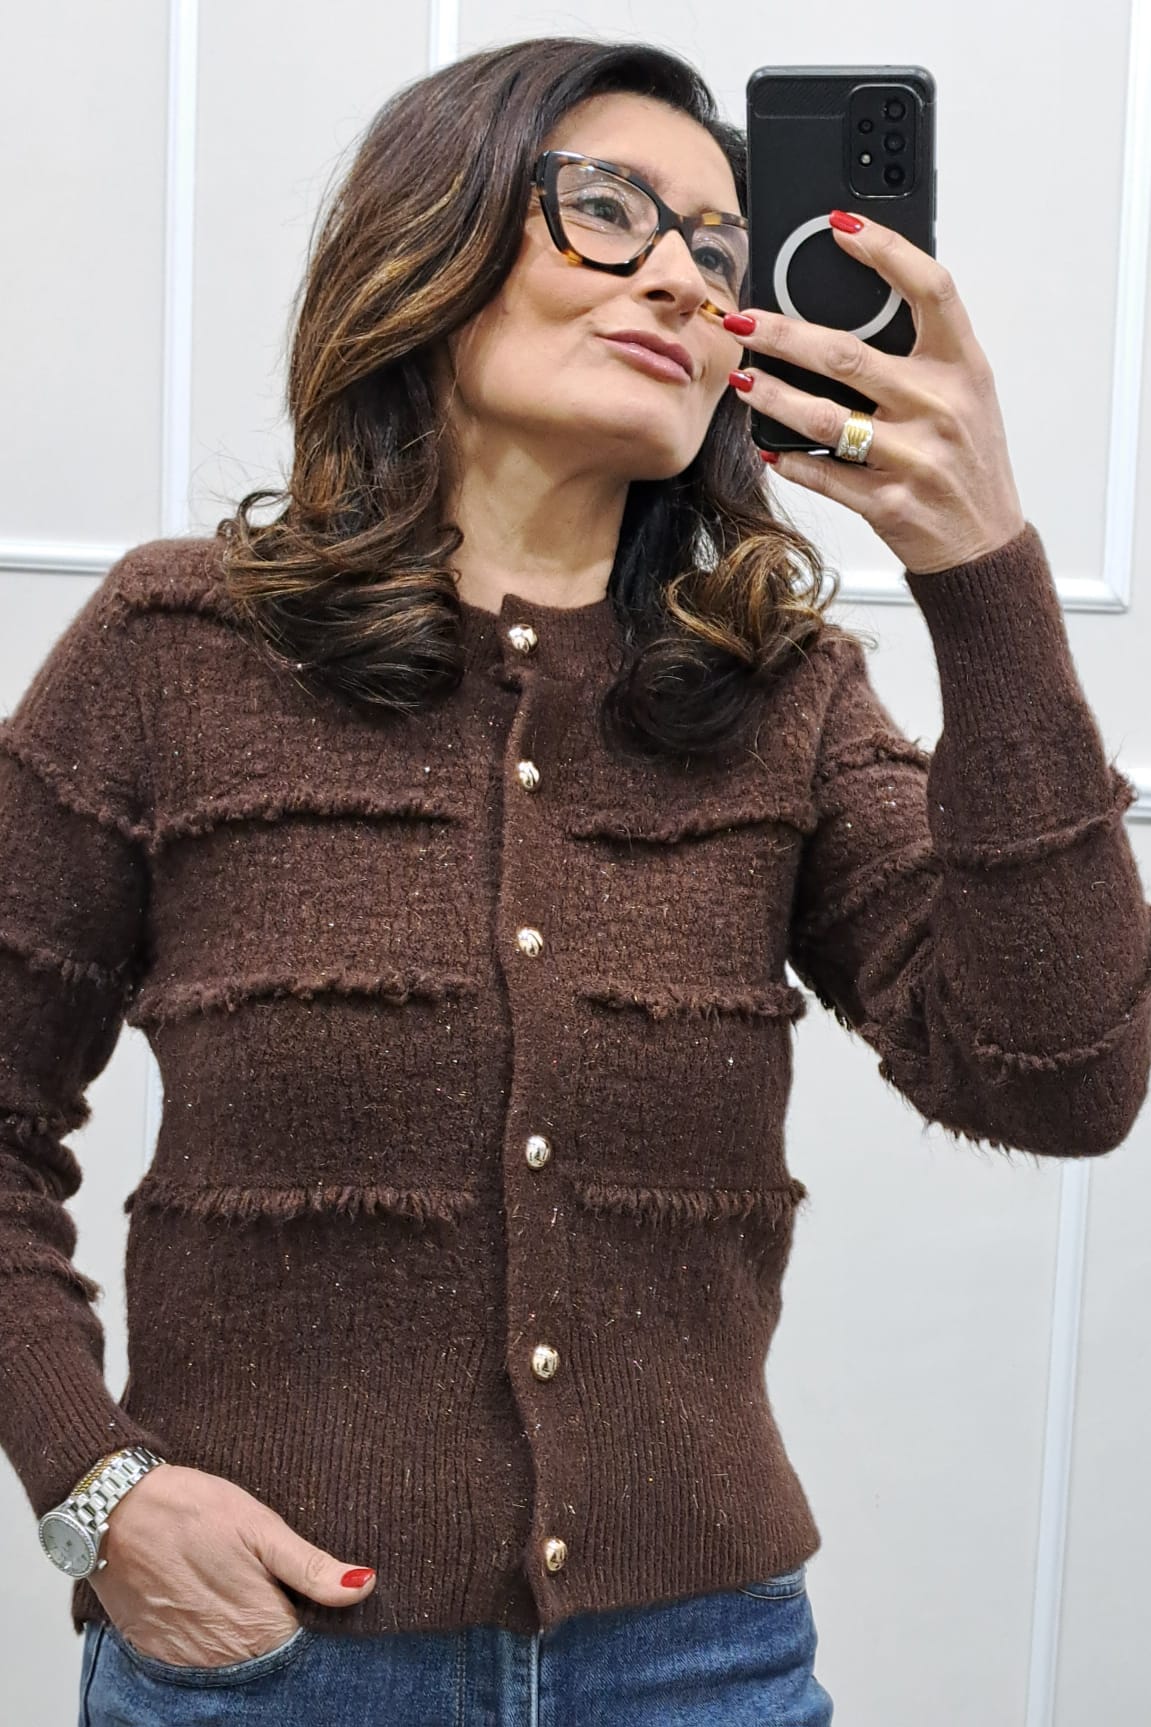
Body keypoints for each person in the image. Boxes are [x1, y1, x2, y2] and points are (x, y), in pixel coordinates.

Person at [2, 36, 1147, 1727]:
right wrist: (92, 1486)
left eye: (720, 247)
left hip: (703, 1667)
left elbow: (1060, 1077)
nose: (680, 277)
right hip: (269, 1667)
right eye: (609, 209)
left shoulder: (783, 698)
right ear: (436, 240)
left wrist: (978, 569)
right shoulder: (178, 652)